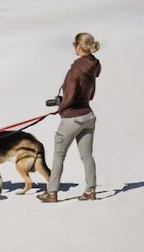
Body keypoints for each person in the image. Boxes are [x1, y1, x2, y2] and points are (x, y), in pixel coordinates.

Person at [39, 32, 101, 203]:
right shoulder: (92, 65)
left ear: (78, 46)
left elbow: (71, 95)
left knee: (59, 155)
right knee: (87, 156)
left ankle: (51, 192)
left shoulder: (75, 70)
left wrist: (61, 107)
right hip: (88, 115)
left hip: (72, 118)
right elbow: (90, 93)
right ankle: (90, 191)